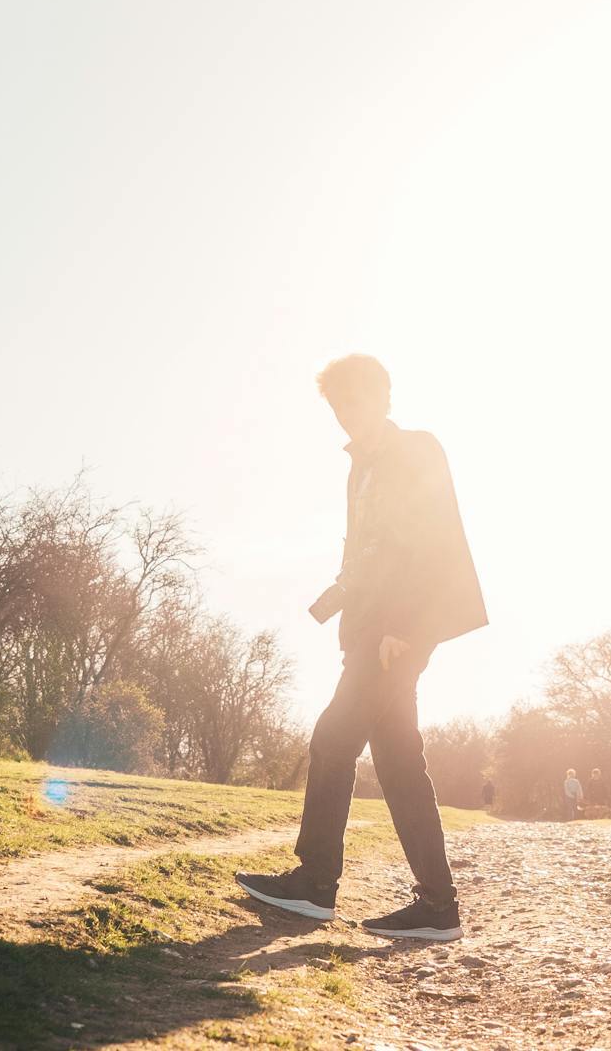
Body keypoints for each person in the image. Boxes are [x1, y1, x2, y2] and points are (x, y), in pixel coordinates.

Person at [235, 354, 487, 942]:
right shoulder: (360, 469)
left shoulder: (417, 449)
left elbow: (434, 541)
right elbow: (374, 553)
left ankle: (315, 882)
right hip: (370, 631)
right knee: (399, 765)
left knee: (332, 739)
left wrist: (405, 625)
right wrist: (344, 596)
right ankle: (438, 906)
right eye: (338, 407)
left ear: (384, 396)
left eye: (356, 401)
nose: (347, 415)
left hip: (396, 635)